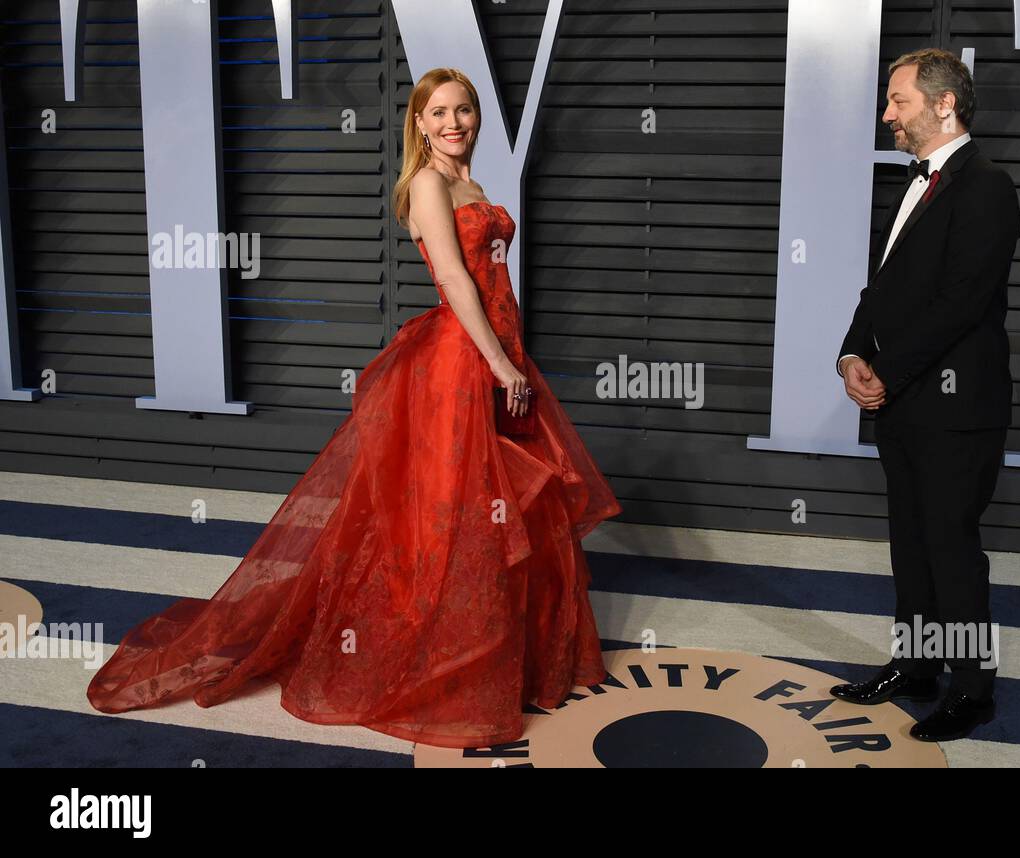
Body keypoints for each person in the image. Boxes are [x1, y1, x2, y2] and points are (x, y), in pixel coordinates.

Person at [86, 68, 622, 749]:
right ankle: (443, 666)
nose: (455, 122)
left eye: (464, 110)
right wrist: (498, 362)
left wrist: (511, 355)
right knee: (454, 512)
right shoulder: (426, 185)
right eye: (440, 112)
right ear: (420, 125)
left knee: (507, 506)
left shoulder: (474, 187)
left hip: (499, 349)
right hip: (462, 361)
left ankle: (507, 664)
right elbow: (455, 278)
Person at [828, 48, 1020, 742]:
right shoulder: (912, 184)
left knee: (951, 546)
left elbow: (962, 302)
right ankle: (916, 666)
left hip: (957, 406)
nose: (887, 114)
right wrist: (853, 353)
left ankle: (973, 691)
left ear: (945, 104)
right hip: (904, 402)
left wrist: (890, 370)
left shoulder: (988, 187)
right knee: (910, 544)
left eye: (898, 101)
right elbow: (879, 289)